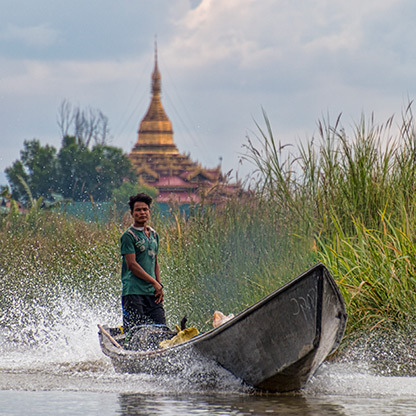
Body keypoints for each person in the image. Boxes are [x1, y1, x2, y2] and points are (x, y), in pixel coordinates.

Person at [120, 192, 165, 332]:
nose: (142, 212)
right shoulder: (129, 236)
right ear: (132, 213)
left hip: (152, 294)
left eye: (145, 209)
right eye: (138, 210)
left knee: (161, 330)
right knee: (136, 333)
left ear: (149, 212)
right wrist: (154, 282)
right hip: (133, 293)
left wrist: (159, 286)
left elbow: (155, 262)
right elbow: (132, 265)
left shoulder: (154, 235)